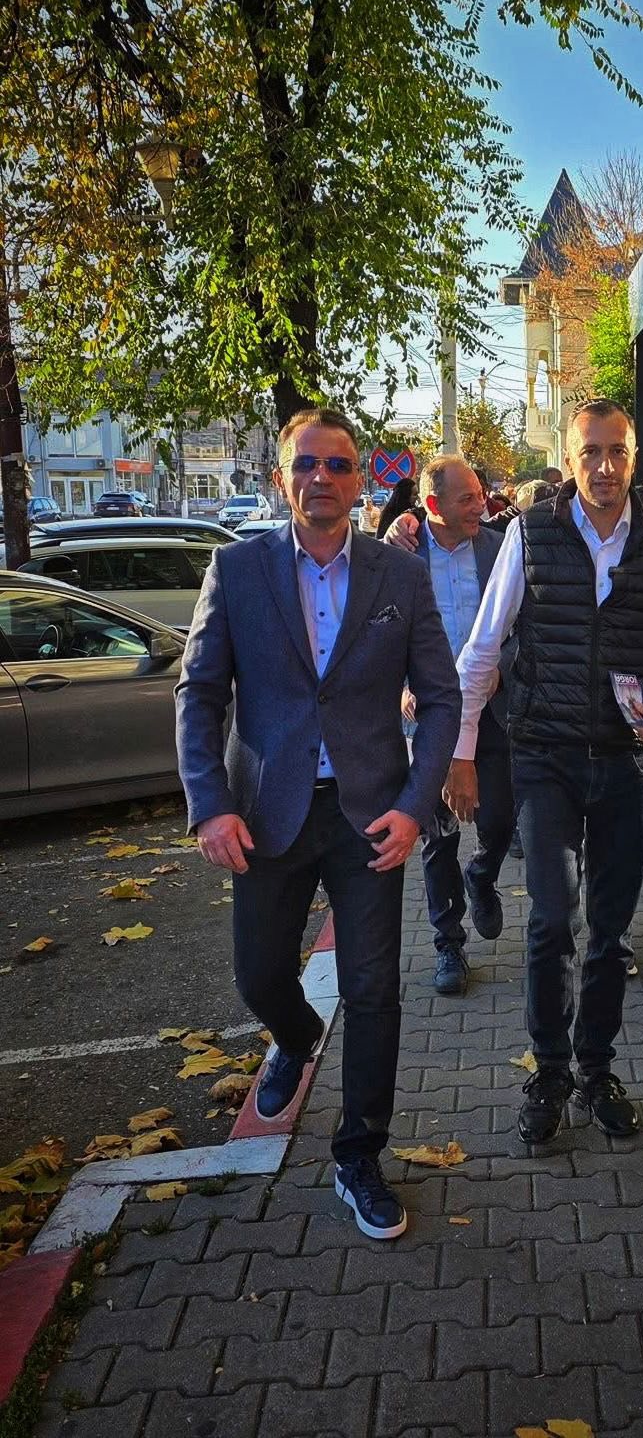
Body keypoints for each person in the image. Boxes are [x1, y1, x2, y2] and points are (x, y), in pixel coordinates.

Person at [175, 407, 461, 1240]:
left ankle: (358, 1154)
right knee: (260, 976)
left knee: (374, 992)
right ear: (281, 478)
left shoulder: (399, 575)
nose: (321, 478)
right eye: (306, 464)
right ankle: (295, 1038)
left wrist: (416, 804)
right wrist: (210, 803)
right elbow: (199, 694)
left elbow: (441, 698)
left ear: (360, 478)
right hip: (267, 814)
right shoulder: (237, 570)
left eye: (338, 464)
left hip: (371, 814)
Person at [446, 399, 643, 1145]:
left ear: (634, 458)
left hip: (630, 762)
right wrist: (462, 750)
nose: (604, 466)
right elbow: (483, 647)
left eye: (617, 451)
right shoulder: (529, 534)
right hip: (546, 756)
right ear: (569, 460)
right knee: (550, 921)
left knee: (611, 931)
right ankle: (549, 1071)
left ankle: (596, 1070)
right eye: (591, 451)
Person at [383, 456, 516, 996]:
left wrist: (504, 668)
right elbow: (380, 631)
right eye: (467, 499)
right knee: (437, 834)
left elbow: (520, 625)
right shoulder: (401, 556)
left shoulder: (500, 549)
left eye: (480, 494)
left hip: (492, 711)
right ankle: (448, 944)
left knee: (501, 819)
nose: (481, 505)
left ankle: (482, 874)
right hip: (431, 715)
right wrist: (400, 685)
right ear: (432, 505)